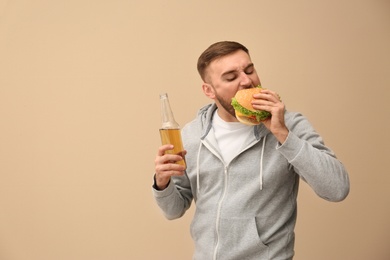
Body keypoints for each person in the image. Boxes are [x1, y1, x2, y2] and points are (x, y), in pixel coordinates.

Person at [152, 41, 350, 260]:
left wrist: (282, 134)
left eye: (249, 70)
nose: (247, 81)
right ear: (209, 90)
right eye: (231, 77)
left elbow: (337, 188)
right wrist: (163, 183)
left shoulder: (289, 125)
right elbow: (174, 210)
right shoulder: (191, 134)